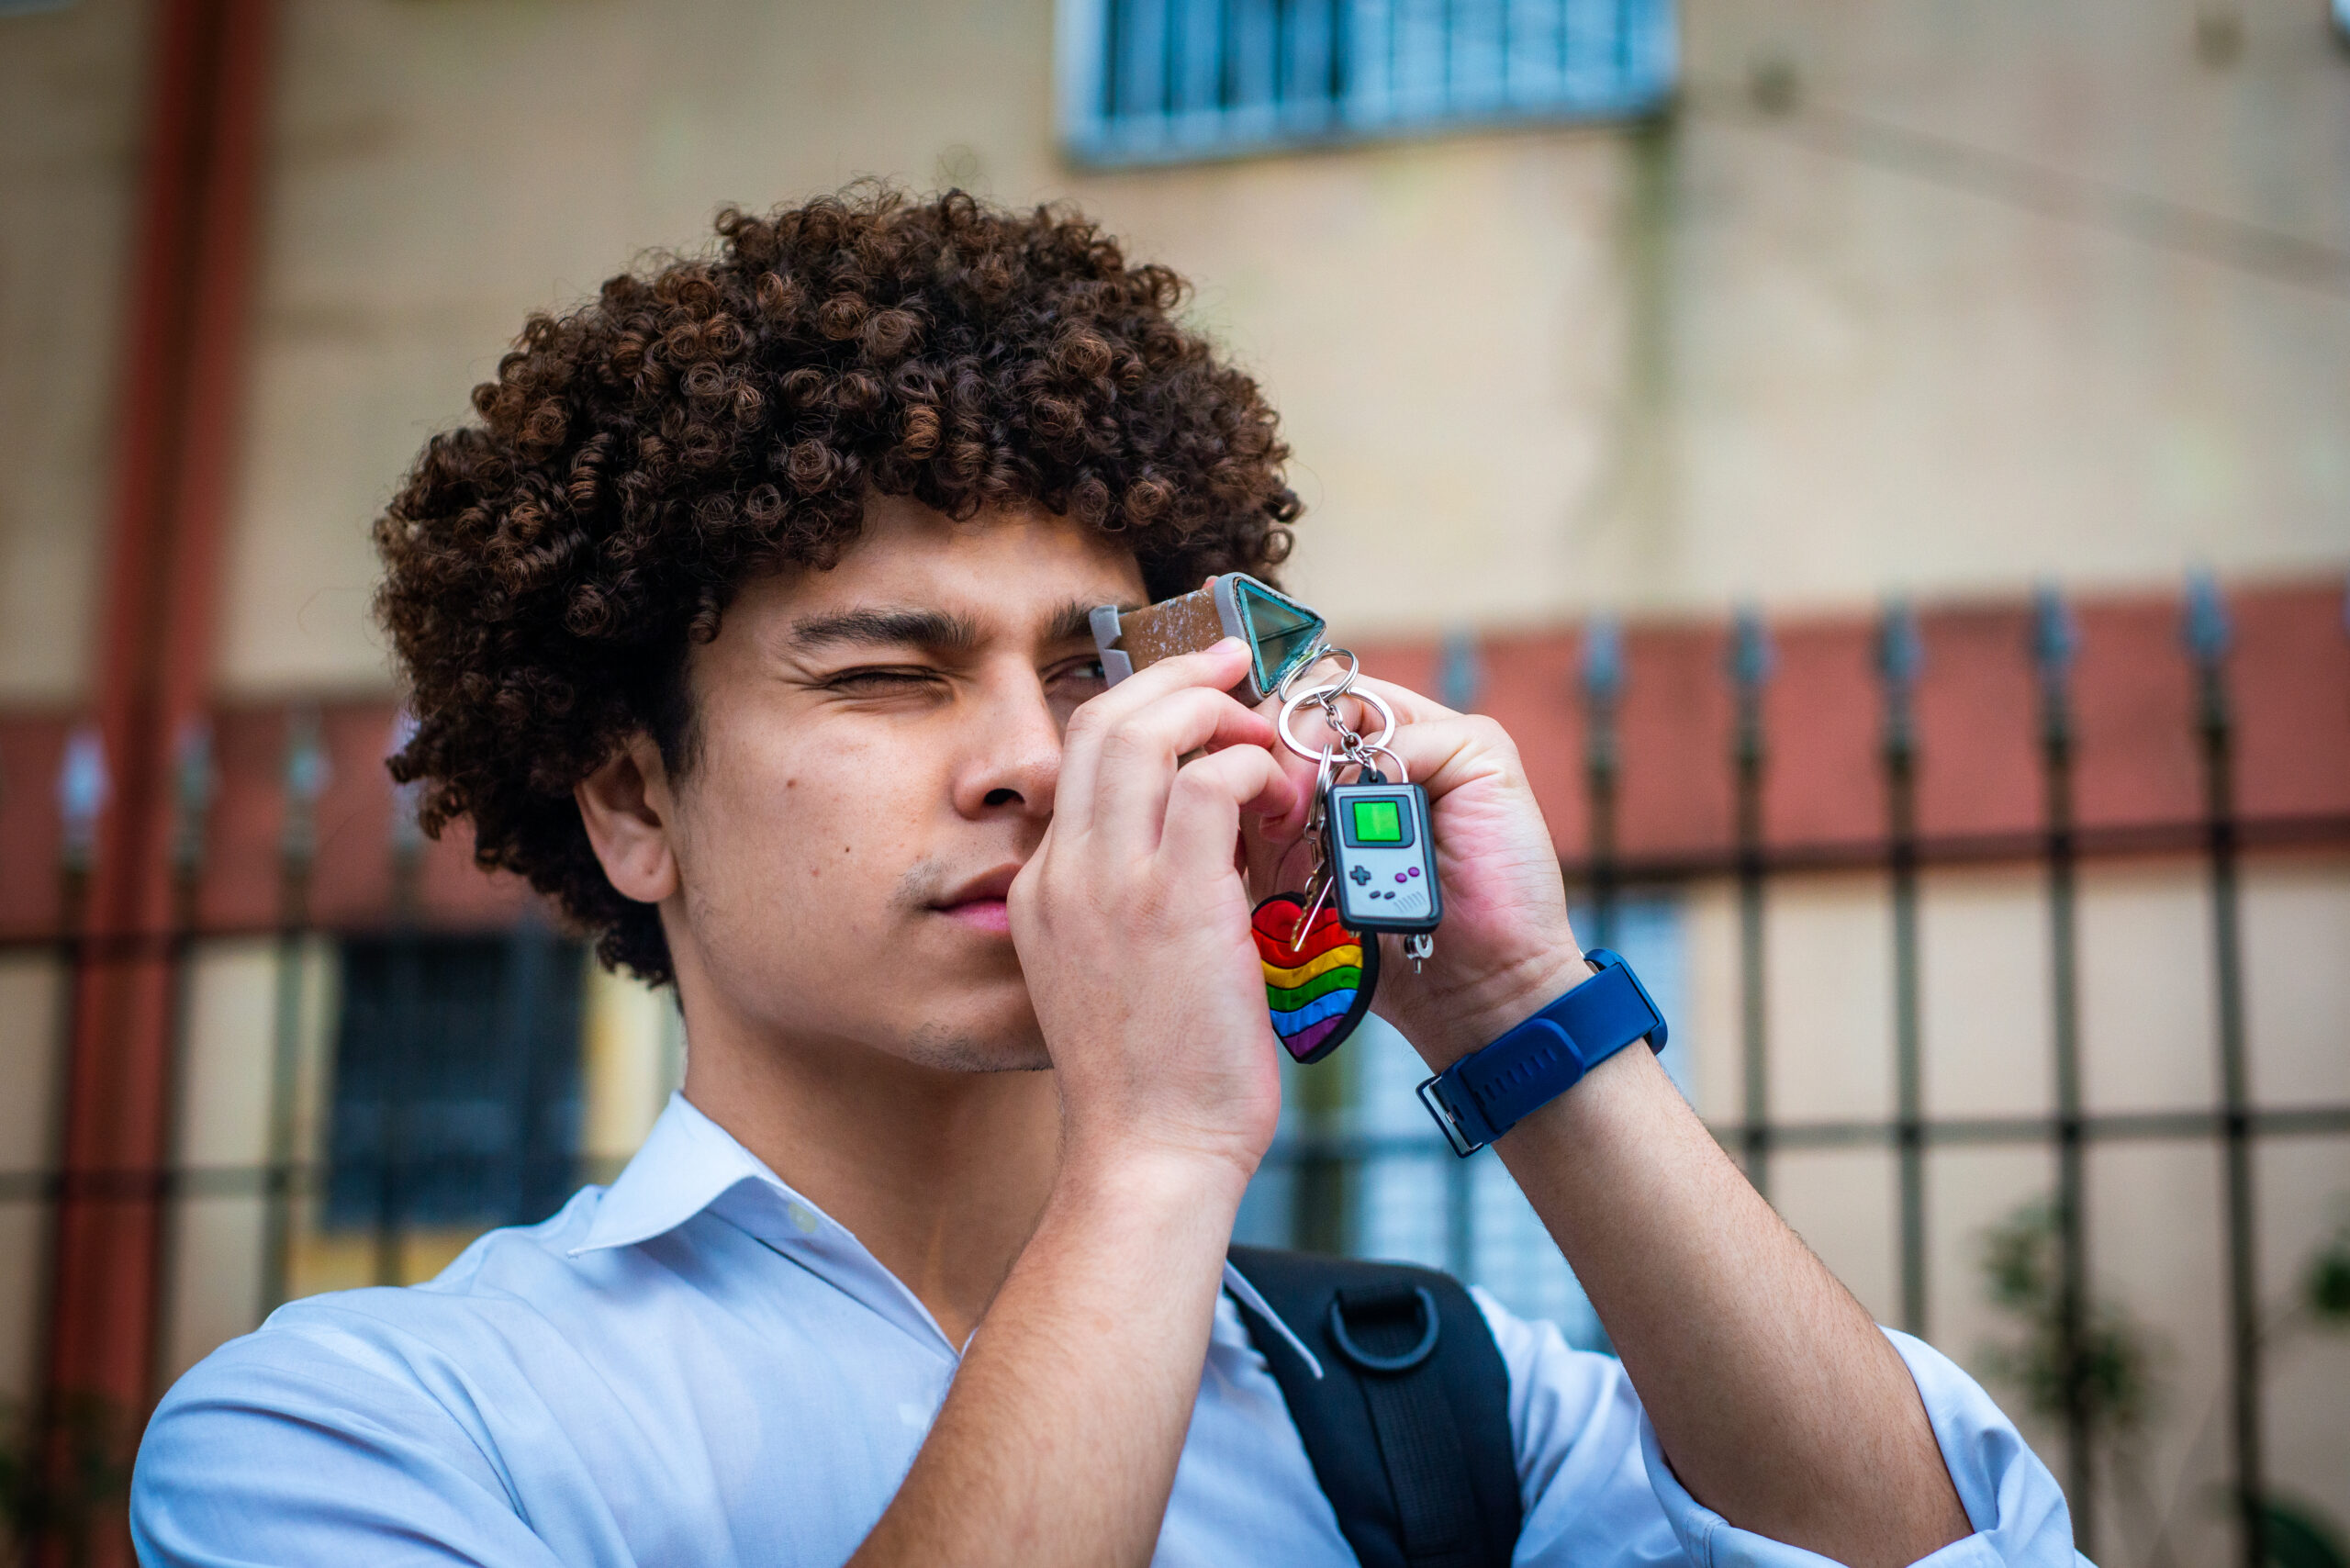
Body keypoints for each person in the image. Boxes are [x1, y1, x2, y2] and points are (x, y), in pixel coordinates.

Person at [132, 187, 2078, 1568]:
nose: (1035, 757)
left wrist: (1515, 1013)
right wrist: (1153, 1154)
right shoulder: (363, 1429)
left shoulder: (1425, 1400)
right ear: (634, 800)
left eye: (1085, 669)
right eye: (889, 673)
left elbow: (1932, 1555)